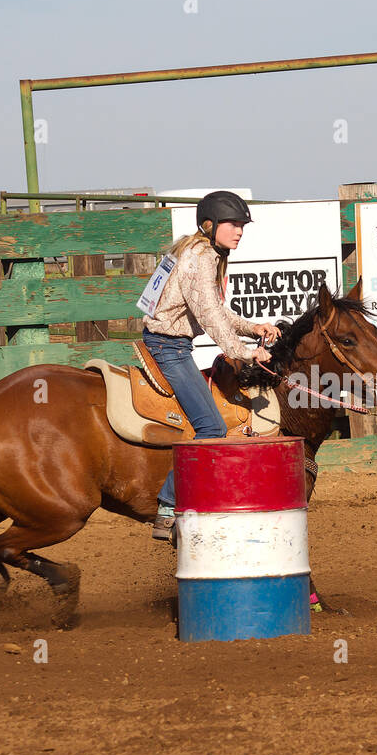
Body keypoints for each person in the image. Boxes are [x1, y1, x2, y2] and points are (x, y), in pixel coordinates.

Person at [142, 190, 280, 541]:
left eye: (242, 225)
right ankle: (167, 507)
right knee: (212, 429)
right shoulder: (200, 257)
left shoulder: (195, 252)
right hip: (169, 348)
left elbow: (215, 312)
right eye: (233, 224)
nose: (239, 231)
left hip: (170, 344)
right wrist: (247, 352)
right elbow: (208, 316)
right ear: (210, 224)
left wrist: (252, 329)